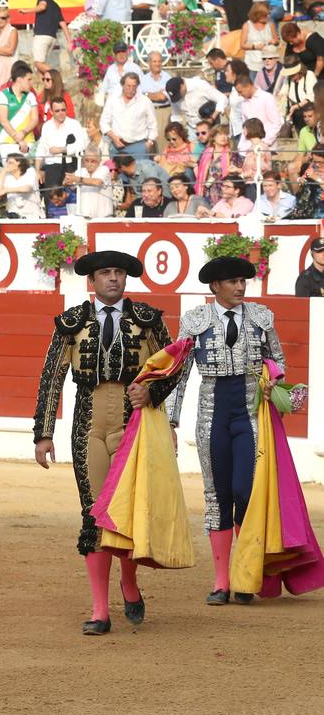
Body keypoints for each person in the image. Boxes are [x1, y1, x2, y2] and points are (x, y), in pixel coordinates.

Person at [33, 250, 176, 634]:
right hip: (88, 425)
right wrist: (44, 433)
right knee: (95, 514)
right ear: (91, 281)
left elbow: (173, 367)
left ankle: (129, 583)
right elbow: (52, 377)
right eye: (105, 273)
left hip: (135, 426)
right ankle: (99, 609)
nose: (113, 278)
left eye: (118, 272)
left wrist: (154, 394)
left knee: (127, 511)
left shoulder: (147, 321)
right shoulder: (71, 323)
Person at [167, 258, 287, 604]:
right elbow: (178, 373)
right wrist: (171, 422)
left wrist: (274, 384)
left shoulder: (260, 317)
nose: (239, 287)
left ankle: (244, 572)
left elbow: (277, 362)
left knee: (245, 491)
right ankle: (222, 581)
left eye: (242, 281)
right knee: (216, 495)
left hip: (248, 414)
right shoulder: (196, 320)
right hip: (212, 414)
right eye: (232, 282)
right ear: (214, 287)